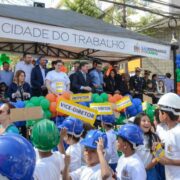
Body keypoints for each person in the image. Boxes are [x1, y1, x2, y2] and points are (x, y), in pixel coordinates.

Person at [157, 93, 180, 180]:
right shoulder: (170, 131)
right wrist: (157, 149)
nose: (158, 114)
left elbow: (166, 161)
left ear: (165, 115)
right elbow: (163, 158)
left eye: (159, 112)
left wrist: (169, 161)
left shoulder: (177, 133)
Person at [134, 112, 162, 180]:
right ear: (137, 123)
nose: (147, 123)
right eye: (144, 121)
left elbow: (159, 155)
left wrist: (147, 168)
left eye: (149, 121)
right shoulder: (132, 137)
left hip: (151, 173)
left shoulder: (154, 137)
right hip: (136, 173)